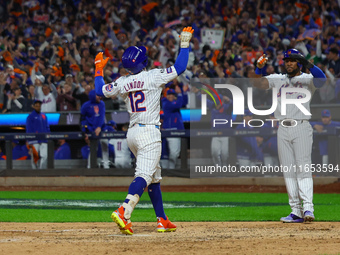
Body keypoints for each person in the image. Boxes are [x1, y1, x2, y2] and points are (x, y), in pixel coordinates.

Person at [94, 26, 194, 234]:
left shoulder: (122, 82)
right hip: (149, 133)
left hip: (132, 134)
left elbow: (99, 90)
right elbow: (180, 66)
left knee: (154, 178)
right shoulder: (153, 76)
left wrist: (97, 68)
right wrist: (184, 44)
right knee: (143, 176)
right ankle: (124, 210)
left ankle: (162, 219)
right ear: (142, 62)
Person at [250, 49, 327, 223]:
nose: (289, 63)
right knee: (288, 171)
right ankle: (296, 211)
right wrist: (258, 69)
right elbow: (257, 84)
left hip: (301, 126)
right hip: (282, 128)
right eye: (287, 60)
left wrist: (307, 63)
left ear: (299, 63)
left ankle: (308, 208)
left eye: (292, 60)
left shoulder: (307, 79)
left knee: (303, 168)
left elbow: (322, 80)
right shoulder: (278, 79)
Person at [80, 90, 110, 169]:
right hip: (91, 130)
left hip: (102, 128)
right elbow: (82, 120)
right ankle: (90, 166)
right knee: (93, 148)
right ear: (93, 95)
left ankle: (106, 166)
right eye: (97, 95)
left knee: (105, 145)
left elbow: (101, 116)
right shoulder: (86, 105)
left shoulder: (102, 104)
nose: (99, 97)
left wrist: (99, 127)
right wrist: (85, 130)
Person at [161, 87, 185, 169]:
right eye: (169, 95)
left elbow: (184, 102)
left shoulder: (175, 103)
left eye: (172, 95)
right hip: (168, 130)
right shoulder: (165, 102)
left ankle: (171, 168)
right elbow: (178, 104)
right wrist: (180, 94)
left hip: (176, 130)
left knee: (175, 153)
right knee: (167, 153)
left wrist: (183, 93)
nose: (170, 96)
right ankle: (169, 169)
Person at [26, 99, 50, 169]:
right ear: (33, 106)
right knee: (35, 158)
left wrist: (48, 136)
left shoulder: (44, 115)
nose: (38, 107)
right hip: (34, 140)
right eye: (36, 106)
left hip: (44, 140)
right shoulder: (30, 116)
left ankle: (41, 171)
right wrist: (29, 141)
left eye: (39, 106)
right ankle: (35, 173)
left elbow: (47, 127)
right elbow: (29, 129)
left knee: (45, 156)